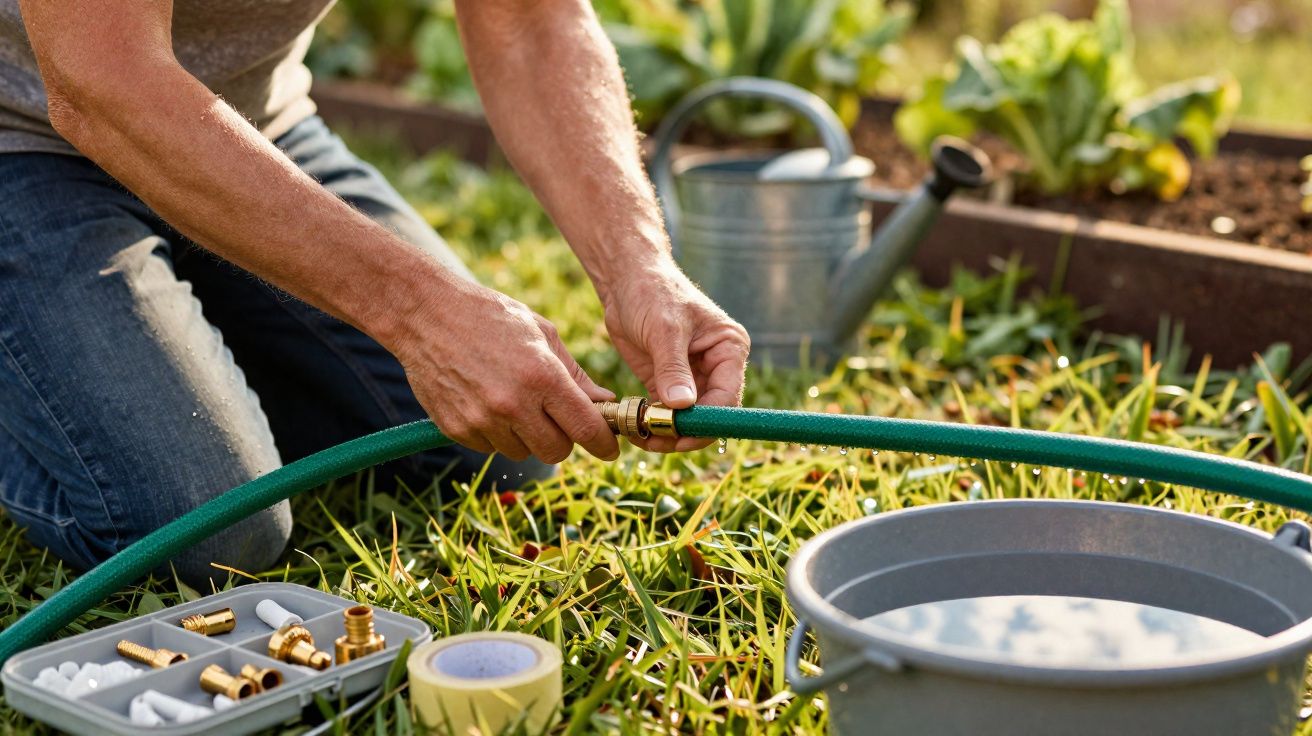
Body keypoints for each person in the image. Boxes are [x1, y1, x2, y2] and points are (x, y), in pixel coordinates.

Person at [0, 0, 749, 584]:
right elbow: (102, 79)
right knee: (206, 530)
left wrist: (638, 265)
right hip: (22, 138)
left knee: (494, 453)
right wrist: (424, 318)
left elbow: (527, 21)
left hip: (248, 125)